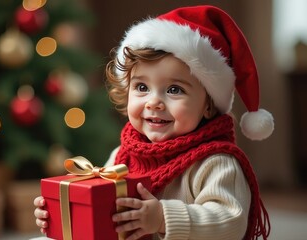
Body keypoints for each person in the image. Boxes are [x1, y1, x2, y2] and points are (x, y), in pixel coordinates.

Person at [34, 5, 274, 240]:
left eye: (173, 89)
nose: (154, 102)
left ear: (208, 105)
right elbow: (102, 206)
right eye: (141, 87)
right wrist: (64, 213)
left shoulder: (216, 163)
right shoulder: (123, 156)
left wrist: (162, 217)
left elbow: (231, 223)